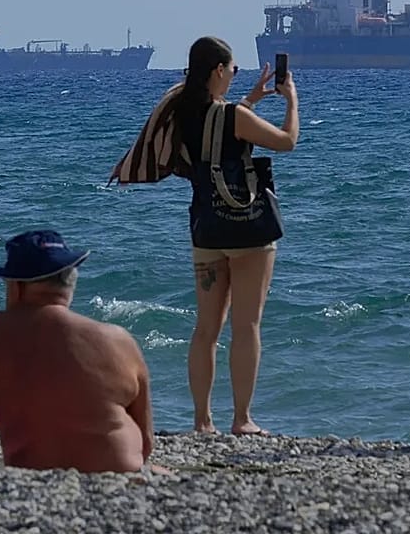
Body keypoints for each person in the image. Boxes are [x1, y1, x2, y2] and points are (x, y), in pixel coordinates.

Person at [128, 36, 299, 436]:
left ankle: (202, 421)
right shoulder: (234, 114)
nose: (234, 76)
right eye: (233, 70)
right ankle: (242, 419)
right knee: (246, 326)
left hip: (206, 228)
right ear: (218, 71)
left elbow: (215, 137)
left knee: (205, 329)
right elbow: (286, 141)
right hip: (247, 229)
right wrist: (290, 100)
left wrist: (251, 100)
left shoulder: (184, 112)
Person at [0, 229, 158, 474]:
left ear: (15, 286)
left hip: (33, 474)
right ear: (70, 282)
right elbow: (146, 439)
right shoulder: (119, 340)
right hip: (120, 473)